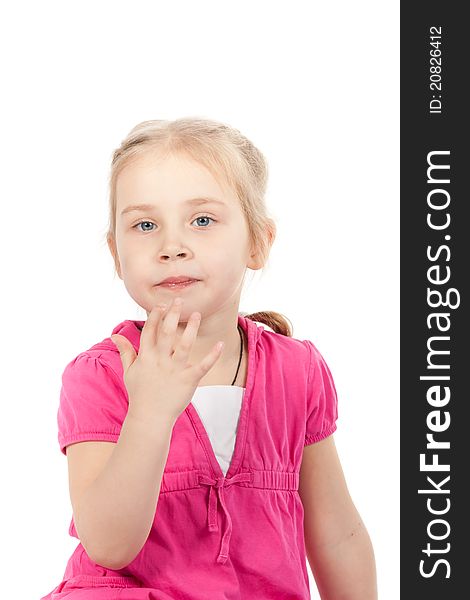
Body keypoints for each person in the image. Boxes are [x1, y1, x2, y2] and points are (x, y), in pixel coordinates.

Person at [40, 117, 377, 599]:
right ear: (117, 255)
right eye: (145, 225)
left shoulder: (297, 372)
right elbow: (109, 545)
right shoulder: (100, 375)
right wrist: (151, 411)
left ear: (258, 242)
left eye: (202, 220)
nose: (171, 247)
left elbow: (337, 533)